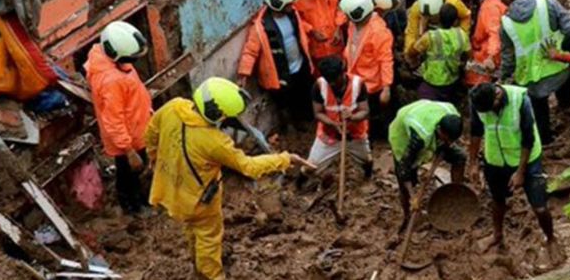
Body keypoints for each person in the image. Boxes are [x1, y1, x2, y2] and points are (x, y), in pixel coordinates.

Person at [145, 77, 310, 280]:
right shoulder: (215, 141)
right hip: (199, 200)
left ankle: (196, 264)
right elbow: (248, 166)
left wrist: (154, 159)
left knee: (190, 230)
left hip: (170, 187)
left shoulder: (174, 106)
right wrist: (284, 159)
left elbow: (152, 131)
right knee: (209, 239)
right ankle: (212, 275)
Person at [468, 83, 557, 255]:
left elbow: (528, 139)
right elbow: (476, 131)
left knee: (540, 207)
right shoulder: (478, 101)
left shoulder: (521, 101)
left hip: (527, 159)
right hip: (496, 159)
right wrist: (472, 163)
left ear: (497, 96)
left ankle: (551, 238)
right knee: (497, 200)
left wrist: (520, 172)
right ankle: (497, 236)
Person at [498, 0, 570, 144]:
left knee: (539, 112)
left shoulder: (506, 24)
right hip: (560, 68)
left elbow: (508, 58)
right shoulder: (548, 3)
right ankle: (567, 108)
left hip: (532, 80)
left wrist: (502, 78)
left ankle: (546, 139)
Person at [84, 21, 153, 215]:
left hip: (136, 130)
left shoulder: (109, 61)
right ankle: (132, 207)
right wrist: (129, 150)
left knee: (135, 172)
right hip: (127, 140)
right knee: (128, 175)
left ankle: (139, 200)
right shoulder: (111, 81)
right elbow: (114, 120)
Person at [237, 0, 313, 130]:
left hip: (299, 64)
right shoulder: (260, 28)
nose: (292, 7)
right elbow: (250, 51)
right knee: (284, 102)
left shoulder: (292, 14)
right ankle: (289, 128)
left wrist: (311, 30)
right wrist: (244, 73)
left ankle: (304, 122)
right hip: (278, 74)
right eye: (288, 5)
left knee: (303, 95)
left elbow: (300, 27)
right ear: (278, 5)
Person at [389, 100, 465, 229]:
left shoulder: (452, 115)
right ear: (440, 130)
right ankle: (408, 215)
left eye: (452, 140)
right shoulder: (419, 137)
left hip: (425, 117)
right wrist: (414, 197)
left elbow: (448, 142)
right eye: (447, 139)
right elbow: (404, 168)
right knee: (406, 179)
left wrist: (445, 145)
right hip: (402, 136)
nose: (450, 143)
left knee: (460, 157)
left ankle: (455, 195)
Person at [340, 0, 395, 140]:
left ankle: (378, 137)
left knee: (373, 114)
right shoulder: (354, 24)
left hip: (371, 84)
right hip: (355, 78)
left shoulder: (378, 32)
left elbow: (385, 60)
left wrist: (386, 87)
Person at [307, 56, 372, 177]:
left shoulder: (358, 84)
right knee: (310, 167)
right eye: (328, 80)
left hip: (355, 134)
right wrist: (333, 124)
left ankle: (368, 178)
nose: (331, 83)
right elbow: (318, 113)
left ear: (343, 72)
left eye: (335, 79)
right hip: (329, 135)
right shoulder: (319, 86)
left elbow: (365, 111)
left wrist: (352, 117)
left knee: (366, 161)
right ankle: (299, 185)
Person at [409, 4, 470, 103]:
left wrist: (421, 30)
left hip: (432, 82)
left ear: (438, 19)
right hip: (452, 81)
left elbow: (412, 52)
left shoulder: (430, 37)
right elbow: (467, 55)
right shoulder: (462, 35)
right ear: (455, 21)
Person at [293, 0, 346, 69]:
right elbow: (297, 19)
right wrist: (311, 30)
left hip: (336, 44)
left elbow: (343, 7)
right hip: (316, 49)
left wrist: (338, 27)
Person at [464, 0, 508, 87]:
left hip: (486, 51)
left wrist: (491, 57)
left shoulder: (490, 7)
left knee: (477, 84)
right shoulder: (501, 0)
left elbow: (494, 34)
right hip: (498, 49)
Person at [404, 0, 472, 57]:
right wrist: (409, 51)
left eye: (433, 16)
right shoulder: (417, 8)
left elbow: (466, 16)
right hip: (428, 33)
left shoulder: (454, 3)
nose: (431, 18)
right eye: (427, 16)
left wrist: (461, 37)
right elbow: (411, 32)